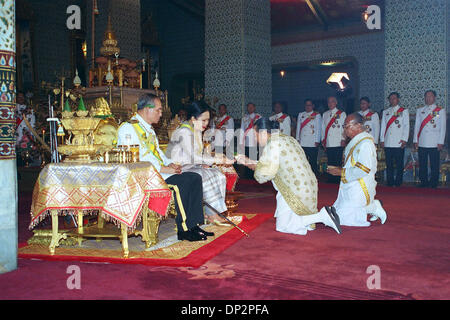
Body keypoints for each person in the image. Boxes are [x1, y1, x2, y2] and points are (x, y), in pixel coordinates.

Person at [117, 93, 210, 242]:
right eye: (159, 110)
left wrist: (170, 163)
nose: (161, 114)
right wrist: (164, 169)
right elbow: (135, 159)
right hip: (144, 176)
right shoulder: (128, 128)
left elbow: (157, 153)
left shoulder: (148, 128)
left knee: (195, 177)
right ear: (147, 109)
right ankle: (184, 230)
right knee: (183, 183)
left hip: (159, 172)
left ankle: (194, 225)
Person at [236, 118, 341, 236]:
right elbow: (273, 165)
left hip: (294, 190)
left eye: (255, 135)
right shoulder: (287, 138)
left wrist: (247, 162)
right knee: (290, 222)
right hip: (307, 185)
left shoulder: (272, 144)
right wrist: (250, 161)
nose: (255, 139)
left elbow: (264, 174)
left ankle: (322, 216)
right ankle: (317, 217)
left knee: (283, 226)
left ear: (264, 133)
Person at [166, 100, 235, 225]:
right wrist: (218, 160)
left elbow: (198, 156)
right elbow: (194, 156)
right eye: (203, 120)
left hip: (190, 167)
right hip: (177, 169)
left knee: (218, 174)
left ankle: (212, 212)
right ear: (193, 118)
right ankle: (212, 214)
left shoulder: (196, 131)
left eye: (208, 120)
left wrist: (206, 163)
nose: (206, 124)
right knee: (206, 175)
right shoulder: (184, 132)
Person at [326, 113, 387, 226]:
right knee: (337, 213)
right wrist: (339, 169)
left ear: (358, 126)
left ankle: (372, 207)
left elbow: (364, 170)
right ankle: (371, 206)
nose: (344, 129)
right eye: (344, 126)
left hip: (360, 185)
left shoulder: (366, 144)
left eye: (347, 126)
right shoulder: (356, 141)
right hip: (350, 183)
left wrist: (341, 172)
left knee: (343, 220)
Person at [413, 90, 446, 188]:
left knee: (434, 164)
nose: (428, 98)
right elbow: (417, 126)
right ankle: (424, 182)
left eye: (430, 96)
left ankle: (433, 183)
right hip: (422, 141)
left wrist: (440, 142)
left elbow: (442, 127)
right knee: (422, 163)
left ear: (434, 97)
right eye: (426, 96)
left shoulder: (440, 110)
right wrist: (415, 140)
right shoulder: (420, 110)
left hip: (434, 142)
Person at [380, 92, 409, 187]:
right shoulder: (386, 112)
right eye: (391, 98)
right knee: (389, 164)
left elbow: (406, 126)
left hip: (398, 142)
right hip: (388, 141)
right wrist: (382, 140)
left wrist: (404, 139)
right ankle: (390, 181)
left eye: (394, 98)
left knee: (399, 164)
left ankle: (398, 182)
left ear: (398, 99)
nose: (392, 100)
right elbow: (383, 127)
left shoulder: (403, 111)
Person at [322, 96, 347, 183]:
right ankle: (330, 178)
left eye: (332, 101)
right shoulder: (325, 114)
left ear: (336, 103)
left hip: (338, 141)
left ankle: (337, 179)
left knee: (337, 161)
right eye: (328, 102)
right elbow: (323, 128)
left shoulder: (341, 113)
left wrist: (343, 138)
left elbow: (344, 128)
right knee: (330, 161)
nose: (330, 103)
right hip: (329, 142)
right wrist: (323, 140)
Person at [296, 99, 322, 176]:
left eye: (309, 105)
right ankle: (303, 174)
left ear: (313, 106)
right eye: (306, 105)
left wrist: (317, 140)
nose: (308, 107)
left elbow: (318, 128)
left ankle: (314, 175)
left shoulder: (317, 115)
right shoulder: (301, 114)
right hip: (303, 141)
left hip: (312, 141)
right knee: (302, 159)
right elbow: (298, 127)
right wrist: (298, 138)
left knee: (313, 160)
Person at [238, 102, 261, 178]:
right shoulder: (244, 118)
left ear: (254, 108)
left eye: (251, 107)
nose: (250, 108)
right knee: (247, 160)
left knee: (254, 160)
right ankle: (247, 176)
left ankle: (254, 177)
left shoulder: (259, 117)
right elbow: (242, 130)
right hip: (247, 142)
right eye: (248, 107)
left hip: (255, 142)